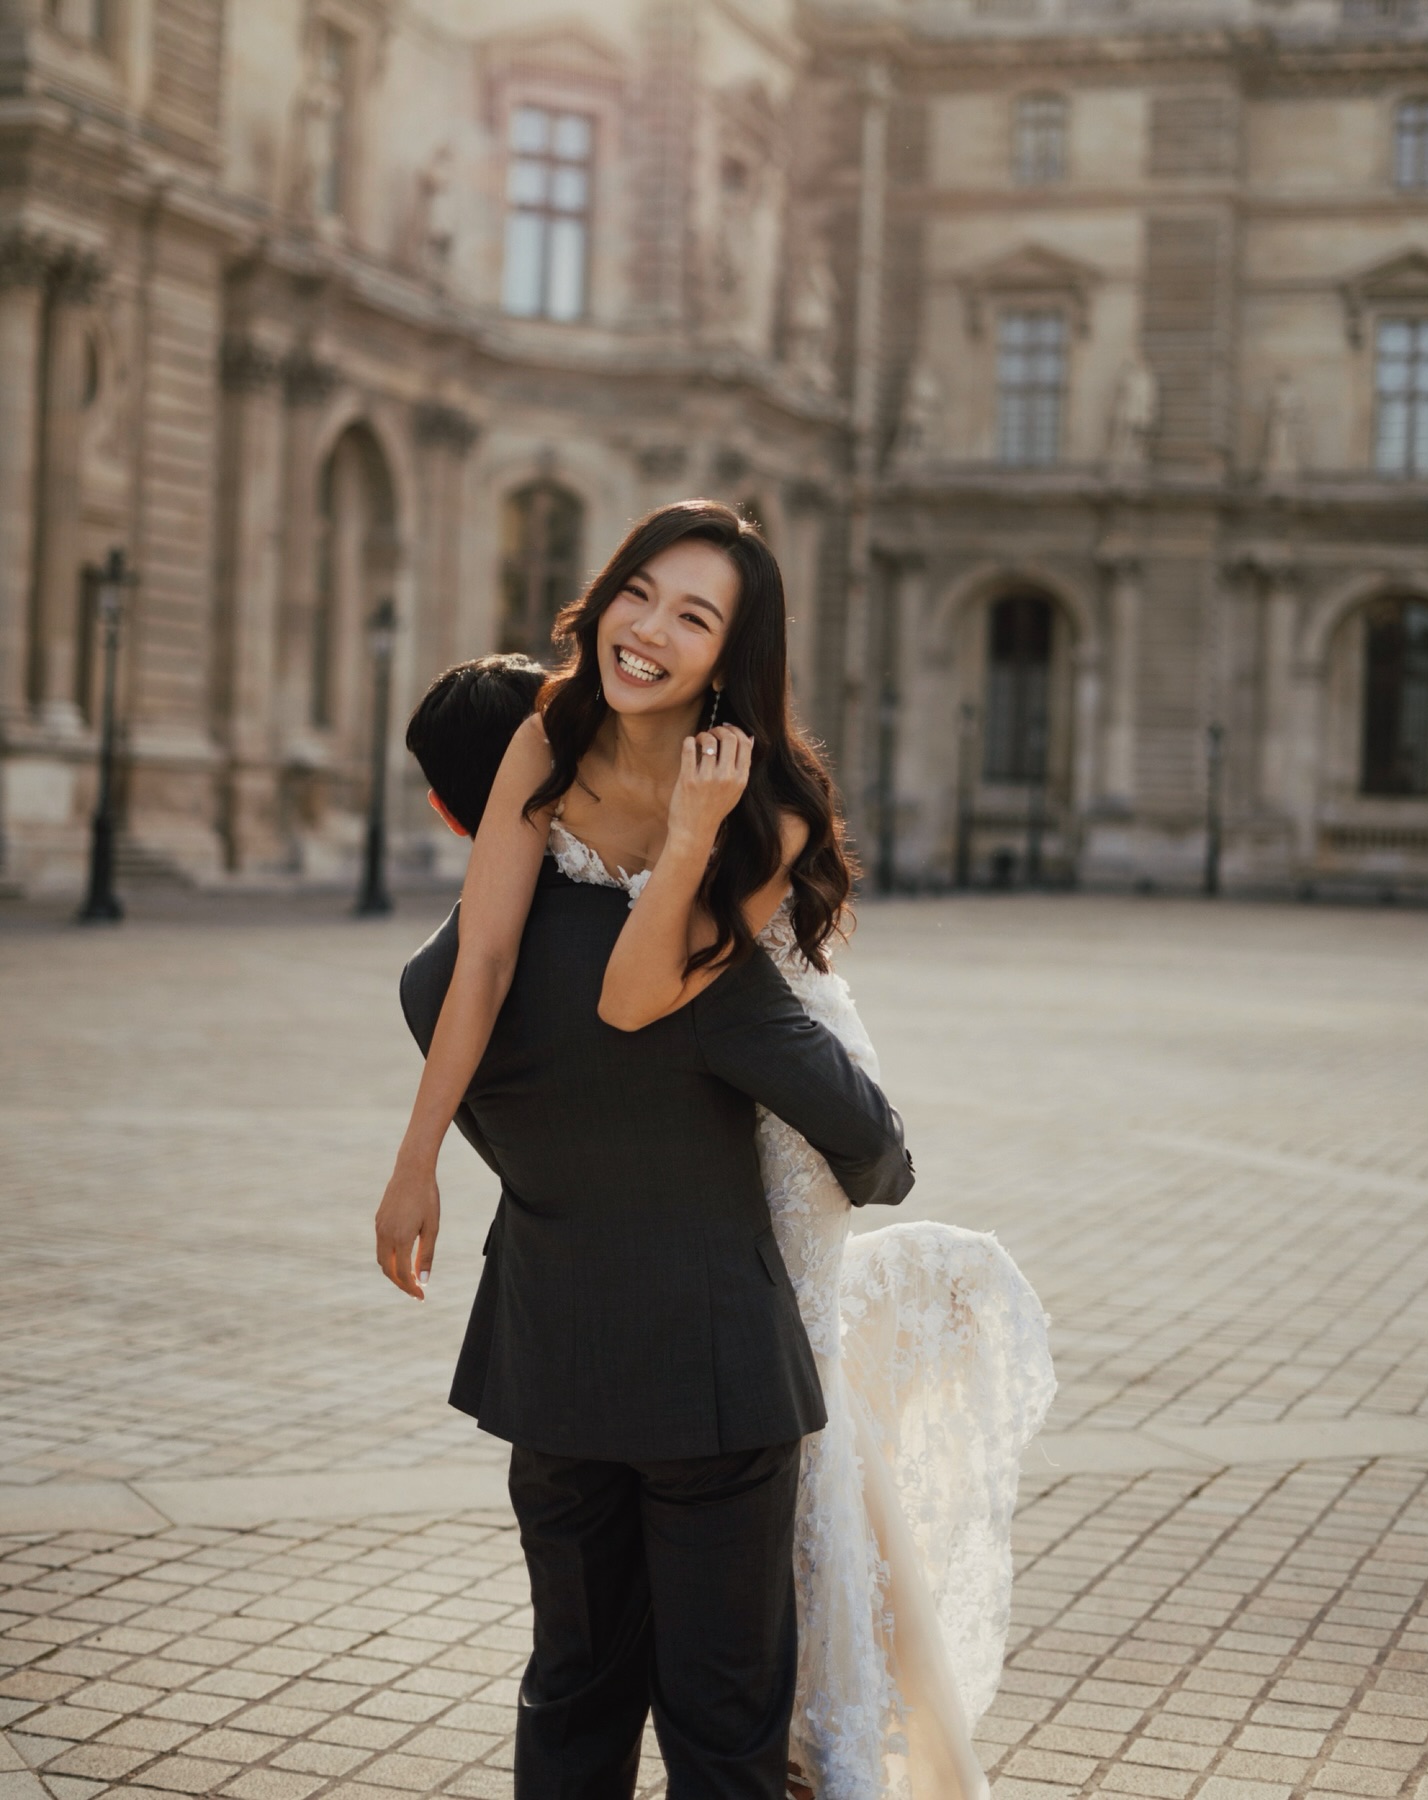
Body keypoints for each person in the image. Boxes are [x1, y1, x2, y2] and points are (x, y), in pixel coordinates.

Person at [384, 502, 1055, 1799]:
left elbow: (603, 991)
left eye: (695, 617)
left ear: (730, 659)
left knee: (644, 1702)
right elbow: (498, 958)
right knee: (663, 1701)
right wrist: (407, 1161)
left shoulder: (771, 814)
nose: (650, 630)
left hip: (632, 1311)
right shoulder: (550, 738)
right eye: (642, 592)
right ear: (606, 591)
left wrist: (690, 842)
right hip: (679, 1337)